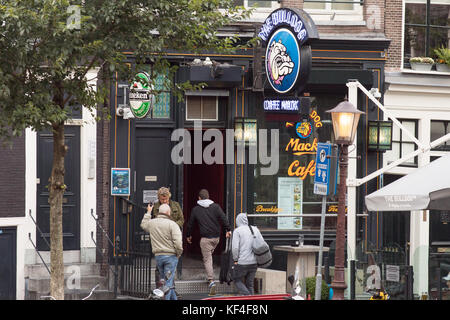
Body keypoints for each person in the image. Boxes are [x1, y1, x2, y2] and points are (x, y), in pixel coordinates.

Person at [186, 189, 231, 295]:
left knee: (207, 259)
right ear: (209, 196)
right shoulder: (216, 207)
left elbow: (190, 224)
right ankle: (209, 275)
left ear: (199, 198)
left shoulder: (196, 210)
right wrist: (228, 230)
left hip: (205, 239)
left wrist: (188, 235)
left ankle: (211, 281)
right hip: (216, 238)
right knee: (209, 255)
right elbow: (224, 219)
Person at [140, 203, 183, 300]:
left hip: (158, 256)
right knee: (167, 285)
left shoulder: (152, 223)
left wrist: (149, 212)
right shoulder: (173, 224)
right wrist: (179, 253)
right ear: (168, 212)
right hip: (171, 257)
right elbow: (178, 242)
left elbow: (143, 225)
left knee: (167, 282)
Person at [231, 213, 258, 296]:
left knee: (236, 279)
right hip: (254, 261)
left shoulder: (237, 231)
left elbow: (235, 248)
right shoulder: (254, 229)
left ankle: (248, 296)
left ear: (237, 221)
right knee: (250, 284)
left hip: (242, 262)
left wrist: (235, 260)